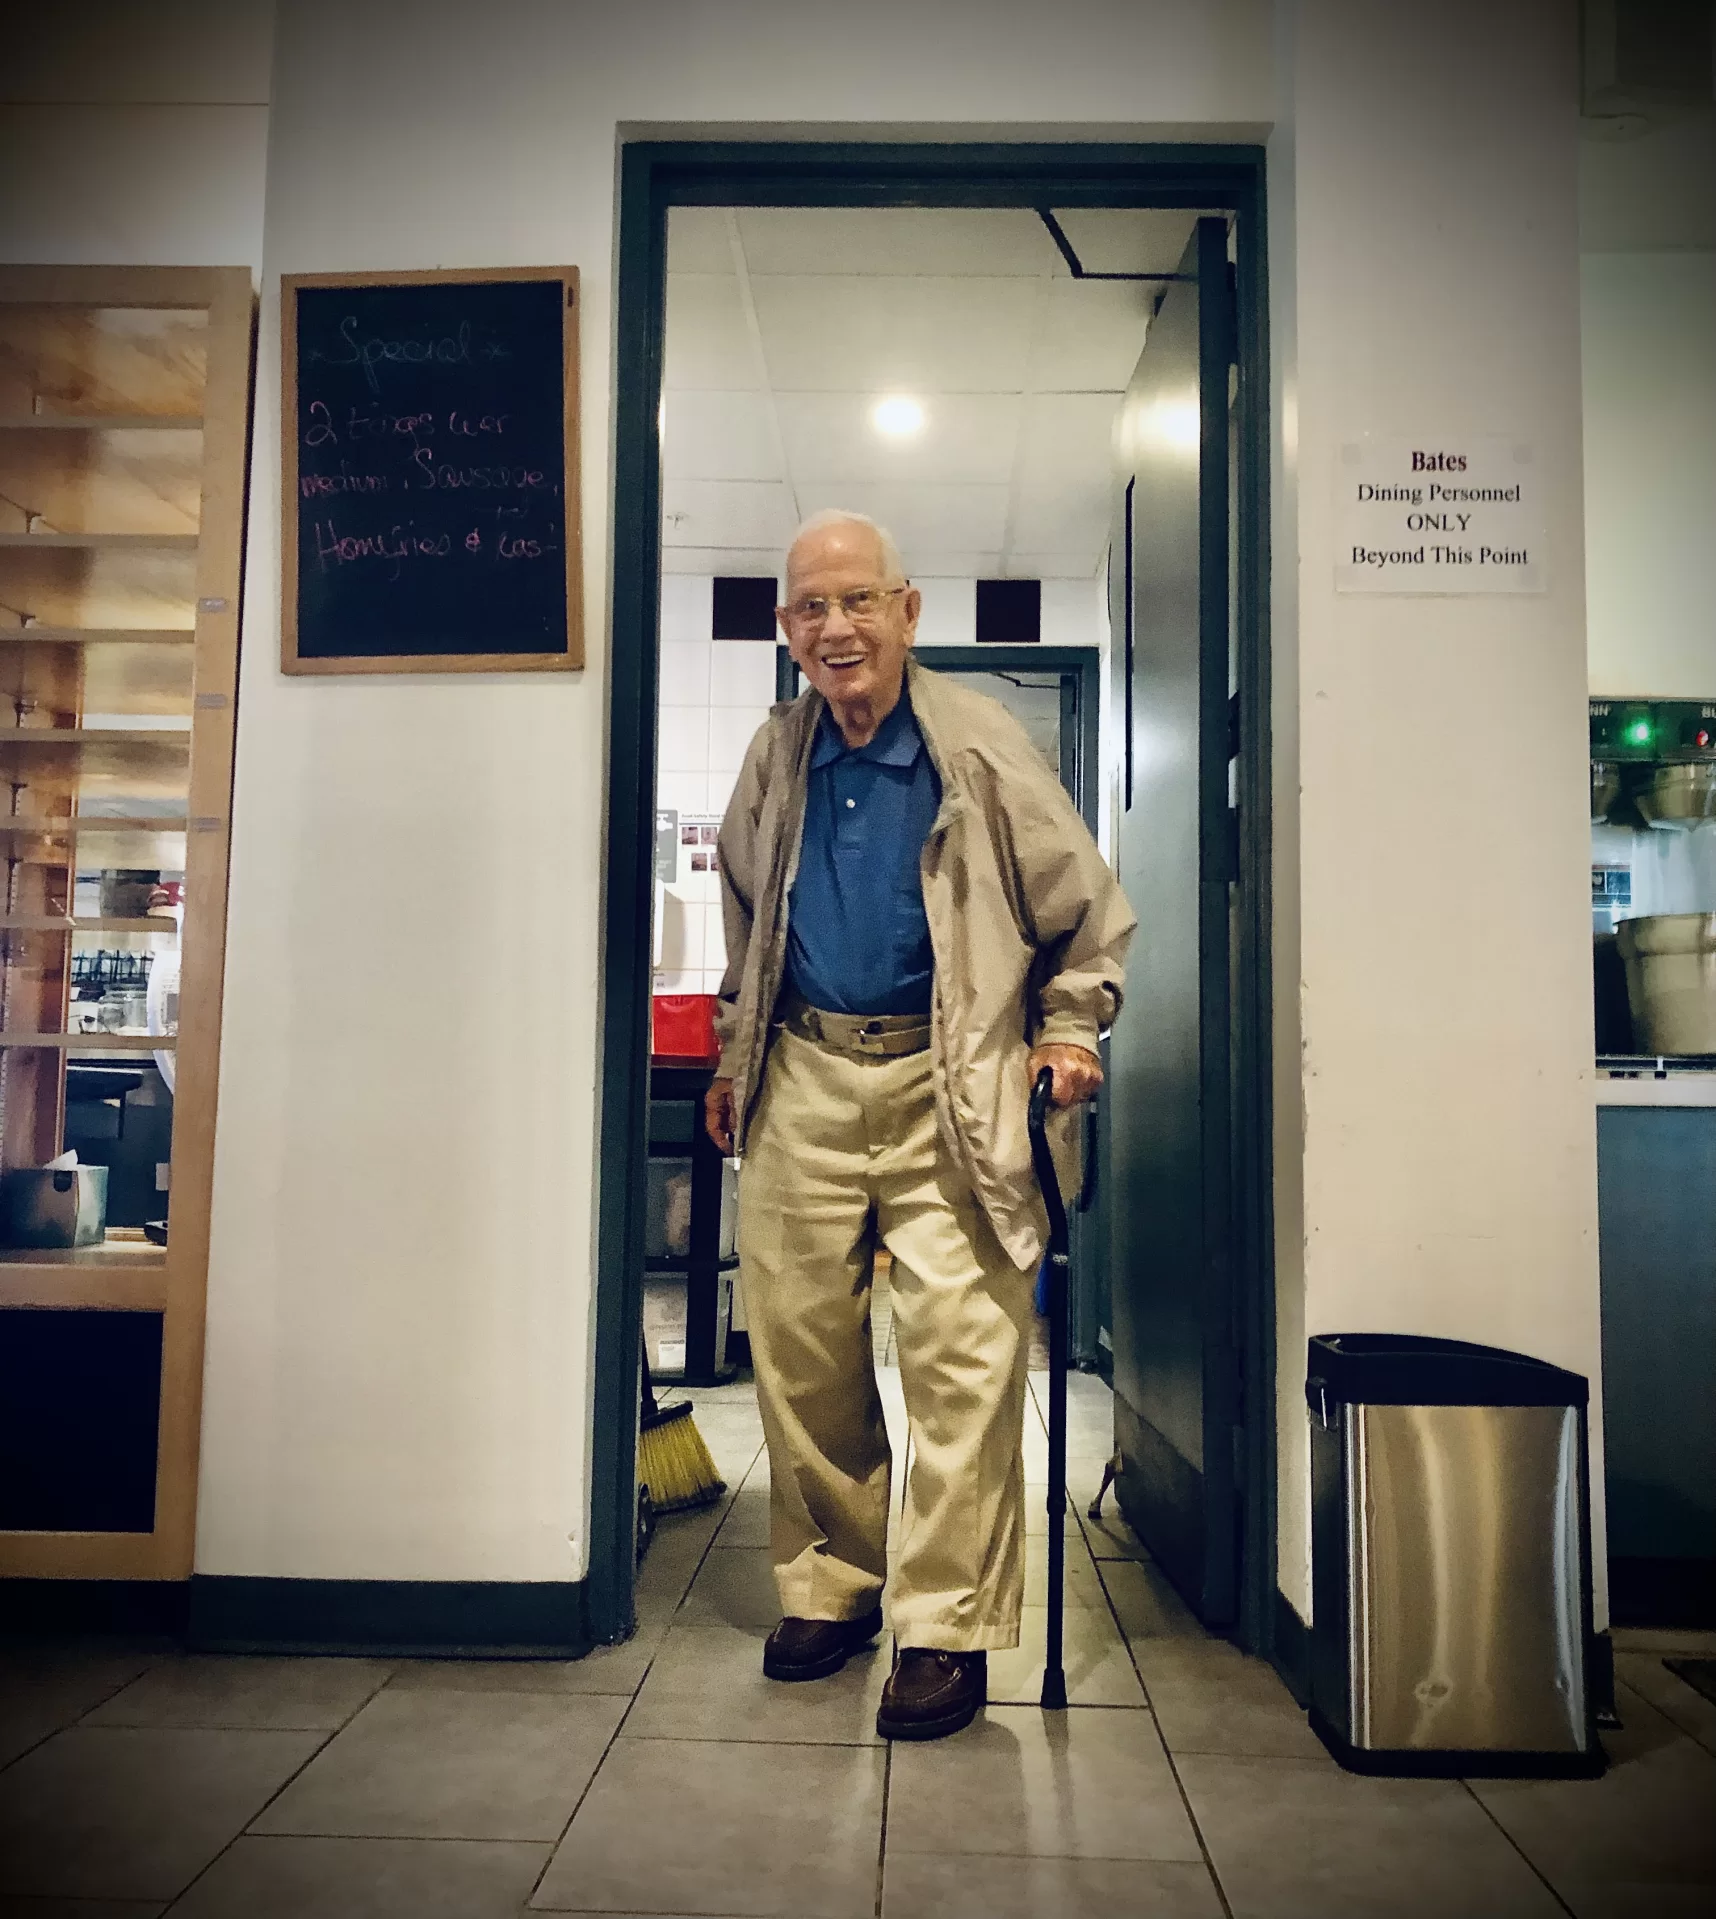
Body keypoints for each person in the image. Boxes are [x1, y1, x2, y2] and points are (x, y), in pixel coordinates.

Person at [707, 509, 1135, 1741]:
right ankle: (835, 1587)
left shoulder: (982, 744)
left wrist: (1069, 1028)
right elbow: (746, 922)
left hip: (953, 1079)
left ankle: (942, 1624)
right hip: (803, 1074)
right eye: (809, 608)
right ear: (787, 628)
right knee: (798, 1349)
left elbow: (1087, 919)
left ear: (907, 611)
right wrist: (740, 1052)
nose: (834, 627)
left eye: (857, 601)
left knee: (960, 1357)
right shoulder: (776, 755)